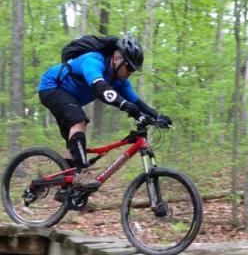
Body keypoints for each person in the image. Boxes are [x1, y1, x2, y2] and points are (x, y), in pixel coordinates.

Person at [38, 34, 172, 189]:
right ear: (117, 58)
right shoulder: (93, 61)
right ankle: (81, 174)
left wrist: (157, 116)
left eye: (133, 70)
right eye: (129, 67)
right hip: (51, 87)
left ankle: (65, 190)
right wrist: (123, 104)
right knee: (78, 120)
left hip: (70, 99)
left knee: (74, 147)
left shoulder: (119, 80)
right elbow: (99, 87)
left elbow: (137, 102)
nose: (130, 72)